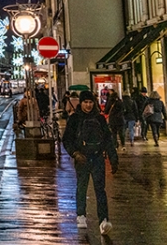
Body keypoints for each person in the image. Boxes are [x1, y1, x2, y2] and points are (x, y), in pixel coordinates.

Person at [62, 90, 118, 235]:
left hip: (97, 157)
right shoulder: (74, 119)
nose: (88, 105)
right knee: (82, 186)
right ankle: (81, 215)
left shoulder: (99, 118)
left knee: (100, 190)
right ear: (81, 103)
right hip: (82, 158)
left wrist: (113, 158)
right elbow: (67, 139)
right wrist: (74, 153)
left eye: (90, 102)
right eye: (86, 102)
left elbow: (107, 139)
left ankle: (104, 220)